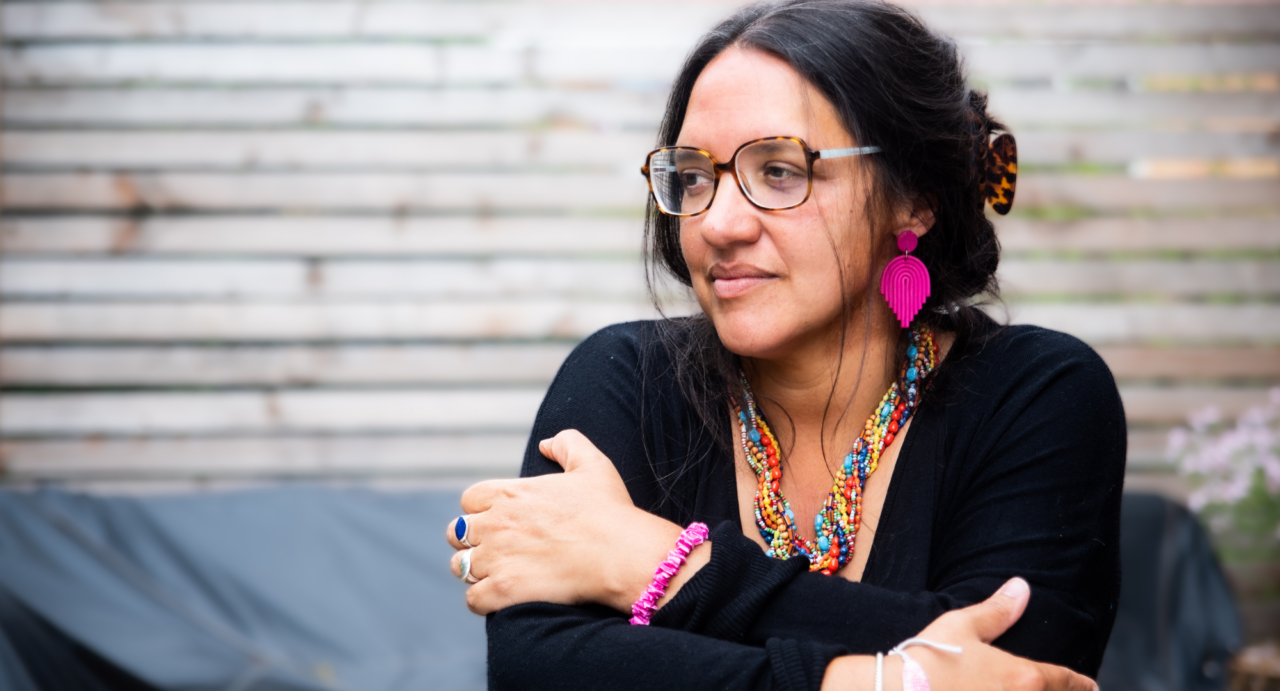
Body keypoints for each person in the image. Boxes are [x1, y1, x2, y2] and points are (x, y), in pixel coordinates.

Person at [444, 1, 1126, 689]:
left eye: (779, 170)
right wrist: (870, 681)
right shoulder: (628, 380)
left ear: (914, 198)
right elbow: (542, 668)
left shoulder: (1039, 393)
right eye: (694, 176)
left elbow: (1015, 665)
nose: (718, 223)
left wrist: (656, 565)